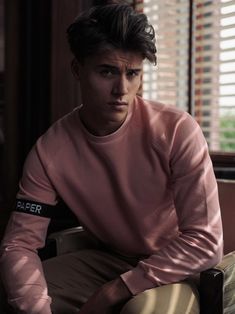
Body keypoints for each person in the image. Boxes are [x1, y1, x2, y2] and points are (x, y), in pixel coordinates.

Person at [0, 2, 223, 314]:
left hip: (176, 264)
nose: (122, 89)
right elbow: (20, 244)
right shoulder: (49, 150)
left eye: (132, 73)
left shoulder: (177, 130)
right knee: (18, 294)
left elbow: (205, 242)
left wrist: (116, 290)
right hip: (107, 260)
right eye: (106, 71)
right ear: (78, 70)